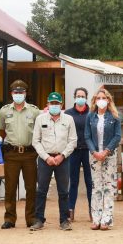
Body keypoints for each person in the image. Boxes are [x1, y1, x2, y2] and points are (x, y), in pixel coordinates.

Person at [0, 79, 40, 229]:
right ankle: (9, 218)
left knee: (31, 187)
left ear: (25, 93)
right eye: (16, 92)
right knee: (10, 187)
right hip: (12, 154)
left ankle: (31, 218)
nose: (18, 95)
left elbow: (40, 130)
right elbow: (1, 131)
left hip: (29, 153)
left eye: (21, 92)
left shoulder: (34, 111)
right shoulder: (4, 111)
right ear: (11, 93)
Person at [31, 92, 77, 231]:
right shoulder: (40, 119)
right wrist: (46, 157)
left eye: (57, 103)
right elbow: (36, 141)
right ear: (47, 104)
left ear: (61, 105)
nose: (54, 106)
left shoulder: (69, 119)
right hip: (45, 159)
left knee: (63, 191)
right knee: (41, 190)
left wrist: (62, 155)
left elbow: (73, 140)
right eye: (52, 103)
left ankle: (64, 220)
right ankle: (39, 219)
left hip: (63, 158)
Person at [83, 88, 121, 230]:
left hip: (109, 155)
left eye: (103, 98)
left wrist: (106, 151)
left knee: (109, 186)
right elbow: (87, 136)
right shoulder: (90, 117)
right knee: (96, 186)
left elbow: (117, 136)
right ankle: (96, 218)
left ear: (108, 100)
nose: (101, 100)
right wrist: (94, 151)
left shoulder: (115, 116)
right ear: (94, 101)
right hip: (94, 156)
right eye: (98, 98)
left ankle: (107, 219)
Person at [65, 87, 93, 222]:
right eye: (78, 95)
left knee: (90, 181)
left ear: (86, 97)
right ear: (74, 97)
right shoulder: (68, 113)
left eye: (82, 95)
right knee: (73, 182)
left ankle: (93, 210)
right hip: (74, 152)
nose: (80, 97)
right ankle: (70, 211)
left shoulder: (92, 113)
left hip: (89, 151)